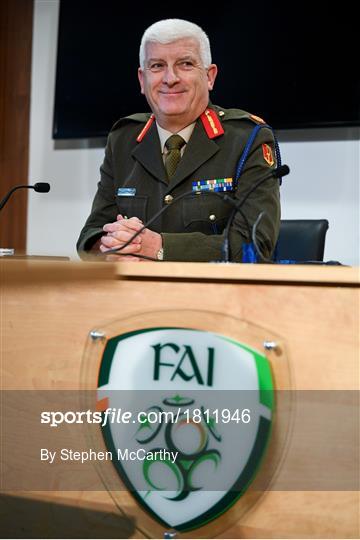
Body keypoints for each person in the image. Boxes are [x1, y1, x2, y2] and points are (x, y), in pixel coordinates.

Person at [77, 18, 280, 262]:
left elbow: (254, 246)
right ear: (142, 80)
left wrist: (158, 247)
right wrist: (112, 248)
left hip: (213, 297)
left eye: (185, 64)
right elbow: (90, 235)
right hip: (134, 296)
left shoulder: (248, 139)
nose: (170, 78)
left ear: (209, 76)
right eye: (157, 66)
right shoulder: (123, 139)